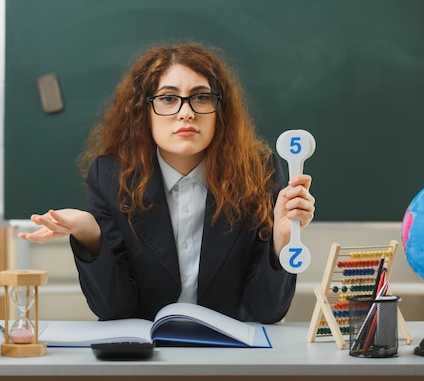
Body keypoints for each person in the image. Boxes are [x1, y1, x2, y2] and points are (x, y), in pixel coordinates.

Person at [18, 42, 315, 323]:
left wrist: (283, 240)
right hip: (146, 361)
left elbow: (266, 311)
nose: (186, 112)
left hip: (230, 360)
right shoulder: (110, 178)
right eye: (168, 98)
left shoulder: (257, 174)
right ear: (143, 111)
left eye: (201, 97)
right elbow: (114, 309)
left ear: (220, 112)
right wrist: (89, 234)